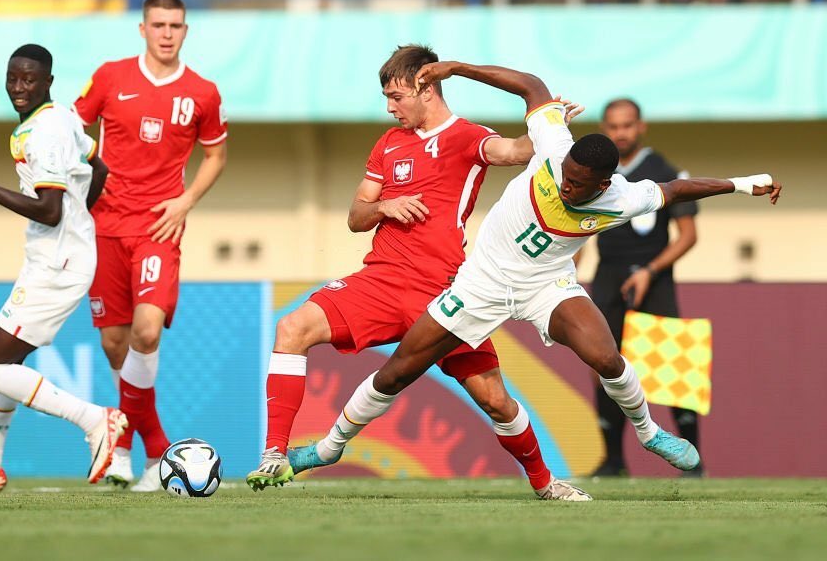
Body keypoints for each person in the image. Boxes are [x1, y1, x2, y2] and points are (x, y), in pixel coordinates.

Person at [289, 60, 781, 485]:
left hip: (547, 285)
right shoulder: (552, 145)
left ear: (605, 184)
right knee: (397, 372)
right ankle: (330, 448)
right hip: (480, 283)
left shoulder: (623, 197)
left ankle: (649, 433)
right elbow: (531, 85)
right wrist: (457, 69)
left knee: (605, 356)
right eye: (565, 176)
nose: (567, 187)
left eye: (580, 185)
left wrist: (742, 184)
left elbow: (677, 189)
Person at [246, 45, 591, 501]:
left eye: (396, 96)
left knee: (494, 400)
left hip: (445, 292)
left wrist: (553, 128)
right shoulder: (388, 144)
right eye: (386, 98)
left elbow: (517, 151)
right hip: (381, 280)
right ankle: (274, 452)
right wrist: (384, 205)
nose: (390, 107)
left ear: (426, 88)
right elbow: (356, 215)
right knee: (291, 327)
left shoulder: (467, 137)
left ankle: (546, 483)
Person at [0, 44, 126, 494]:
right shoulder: (60, 118)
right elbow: (98, 167)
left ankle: (95, 420)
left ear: (48, 82)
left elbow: (50, 210)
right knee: (8, 363)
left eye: (29, 79)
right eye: (13, 78)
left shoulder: (45, 133)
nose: (19, 88)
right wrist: (83, 221)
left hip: (57, 262)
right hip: (60, 255)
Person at [75, 0, 228, 491]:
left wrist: (185, 202)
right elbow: (73, 134)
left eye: (175, 25)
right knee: (115, 344)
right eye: (158, 24)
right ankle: (152, 452)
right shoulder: (109, 77)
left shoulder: (202, 93)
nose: (166, 33)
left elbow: (216, 157)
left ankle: (130, 449)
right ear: (142, 29)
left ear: (186, 31)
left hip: (159, 227)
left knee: (146, 332)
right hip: (104, 228)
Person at [587, 97, 700, 476]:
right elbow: (580, 226)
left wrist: (650, 270)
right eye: (613, 126)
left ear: (641, 126)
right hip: (609, 275)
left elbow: (688, 236)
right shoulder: (597, 172)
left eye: (627, 125)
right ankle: (613, 461)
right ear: (605, 128)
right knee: (602, 360)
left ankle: (693, 463)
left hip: (654, 277)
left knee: (675, 365)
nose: (621, 133)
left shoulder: (664, 170)